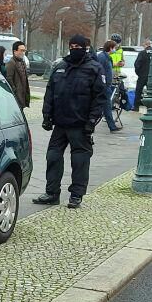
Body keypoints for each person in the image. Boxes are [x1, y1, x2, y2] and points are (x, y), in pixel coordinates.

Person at [33, 34, 105, 210]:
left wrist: (91, 122)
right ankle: (52, 193)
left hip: (81, 125)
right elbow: (50, 93)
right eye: (71, 46)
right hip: (60, 124)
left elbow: (100, 99)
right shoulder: (60, 67)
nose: (74, 49)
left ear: (84, 48)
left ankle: (76, 195)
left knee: (80, 160)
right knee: (53, 157)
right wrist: (46, 116)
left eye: (77, 46)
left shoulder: (94, 69)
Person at [94, 40, 122, 131]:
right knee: (105, 106)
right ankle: (111, 126)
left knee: (107, 106)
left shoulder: (106, 57)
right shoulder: (102, 57)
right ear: (110, 48)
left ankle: (111, 126)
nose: (115, 49)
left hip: (107, 86)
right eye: (114, 48)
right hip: (104, 86)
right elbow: (99, 70)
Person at [4, 40, 30, 111]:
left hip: (22, 94)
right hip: (16, 96)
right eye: (21, 50)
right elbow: (9, 79)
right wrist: (14, 91)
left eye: (24, 51)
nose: (23, 53)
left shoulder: (23, 62)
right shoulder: (11, 63)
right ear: (15, 51)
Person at [132, 40, 151, 111]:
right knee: (151, 93)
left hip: (142, 75)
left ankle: (136, 107)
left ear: (145, 45)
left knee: (138, 91)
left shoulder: (142, 53)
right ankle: (150, 107)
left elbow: (137, 64)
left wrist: (139, 73)